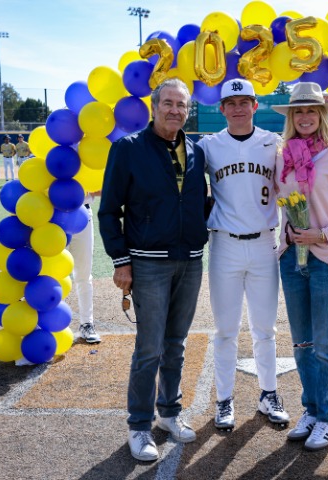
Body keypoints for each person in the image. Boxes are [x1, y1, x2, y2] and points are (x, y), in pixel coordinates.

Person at [98, 78, 208, 462]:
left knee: (176, 344)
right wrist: (121, 260)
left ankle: (170, 413)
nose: (175, 110)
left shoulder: (195, 150)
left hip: (190, 260)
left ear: (188, 110)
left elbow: (199, 203)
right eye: (168, 103)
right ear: (154, 106)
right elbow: (109, 211)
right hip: (147, 264)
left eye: (182, 105)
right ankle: (140, 425)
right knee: (149, 348)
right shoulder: (128, 148)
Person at [272, 82, 328, 451]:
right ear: (291, 117)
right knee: (302, 344)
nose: (305, 116)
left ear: (322, 115)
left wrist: (322, 235)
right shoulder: (281, 157)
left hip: (327, 260)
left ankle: (327, 418)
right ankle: (310, 410)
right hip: (291, 260)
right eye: (299, 111)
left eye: (312, 110)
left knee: (324, 345)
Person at [198, 78, 290, 432]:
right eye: (231, 103)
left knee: (265, 328)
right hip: (224, 245)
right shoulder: (208, 146)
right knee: (225, 329)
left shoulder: (273, 143)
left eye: (244, 102)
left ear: (254, 105)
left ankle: (269, 394)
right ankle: (224, 399)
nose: (238, 108)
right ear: (221, 109)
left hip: (264, 244)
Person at [70, 192, 101, 344]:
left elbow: (102, 189)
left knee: (84, 273)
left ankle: (87, 323)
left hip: (82, 214)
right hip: (52, 215)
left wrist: (89, 188)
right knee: (50, 275)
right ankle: (48, 326)